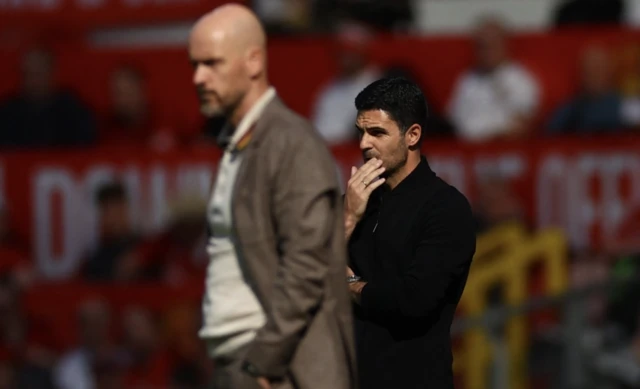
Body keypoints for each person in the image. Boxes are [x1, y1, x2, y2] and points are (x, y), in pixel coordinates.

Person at [188, 5, 356, 389]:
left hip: (276, 366)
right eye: (194, 64)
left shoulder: (291, 142)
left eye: (212, 63)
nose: (199, 77)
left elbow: (306, 263)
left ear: (253, 61)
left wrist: (266, 359)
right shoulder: (240, 145)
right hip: (241, 360)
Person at [344, 77, 476, 389]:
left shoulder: (445, 208)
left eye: (377, 132)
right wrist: (347, 219)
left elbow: (413, 301)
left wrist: (349, 285)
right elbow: (306, 283)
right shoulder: (353, 203)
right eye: (360, 132)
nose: (364, 143)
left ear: (412, 135)